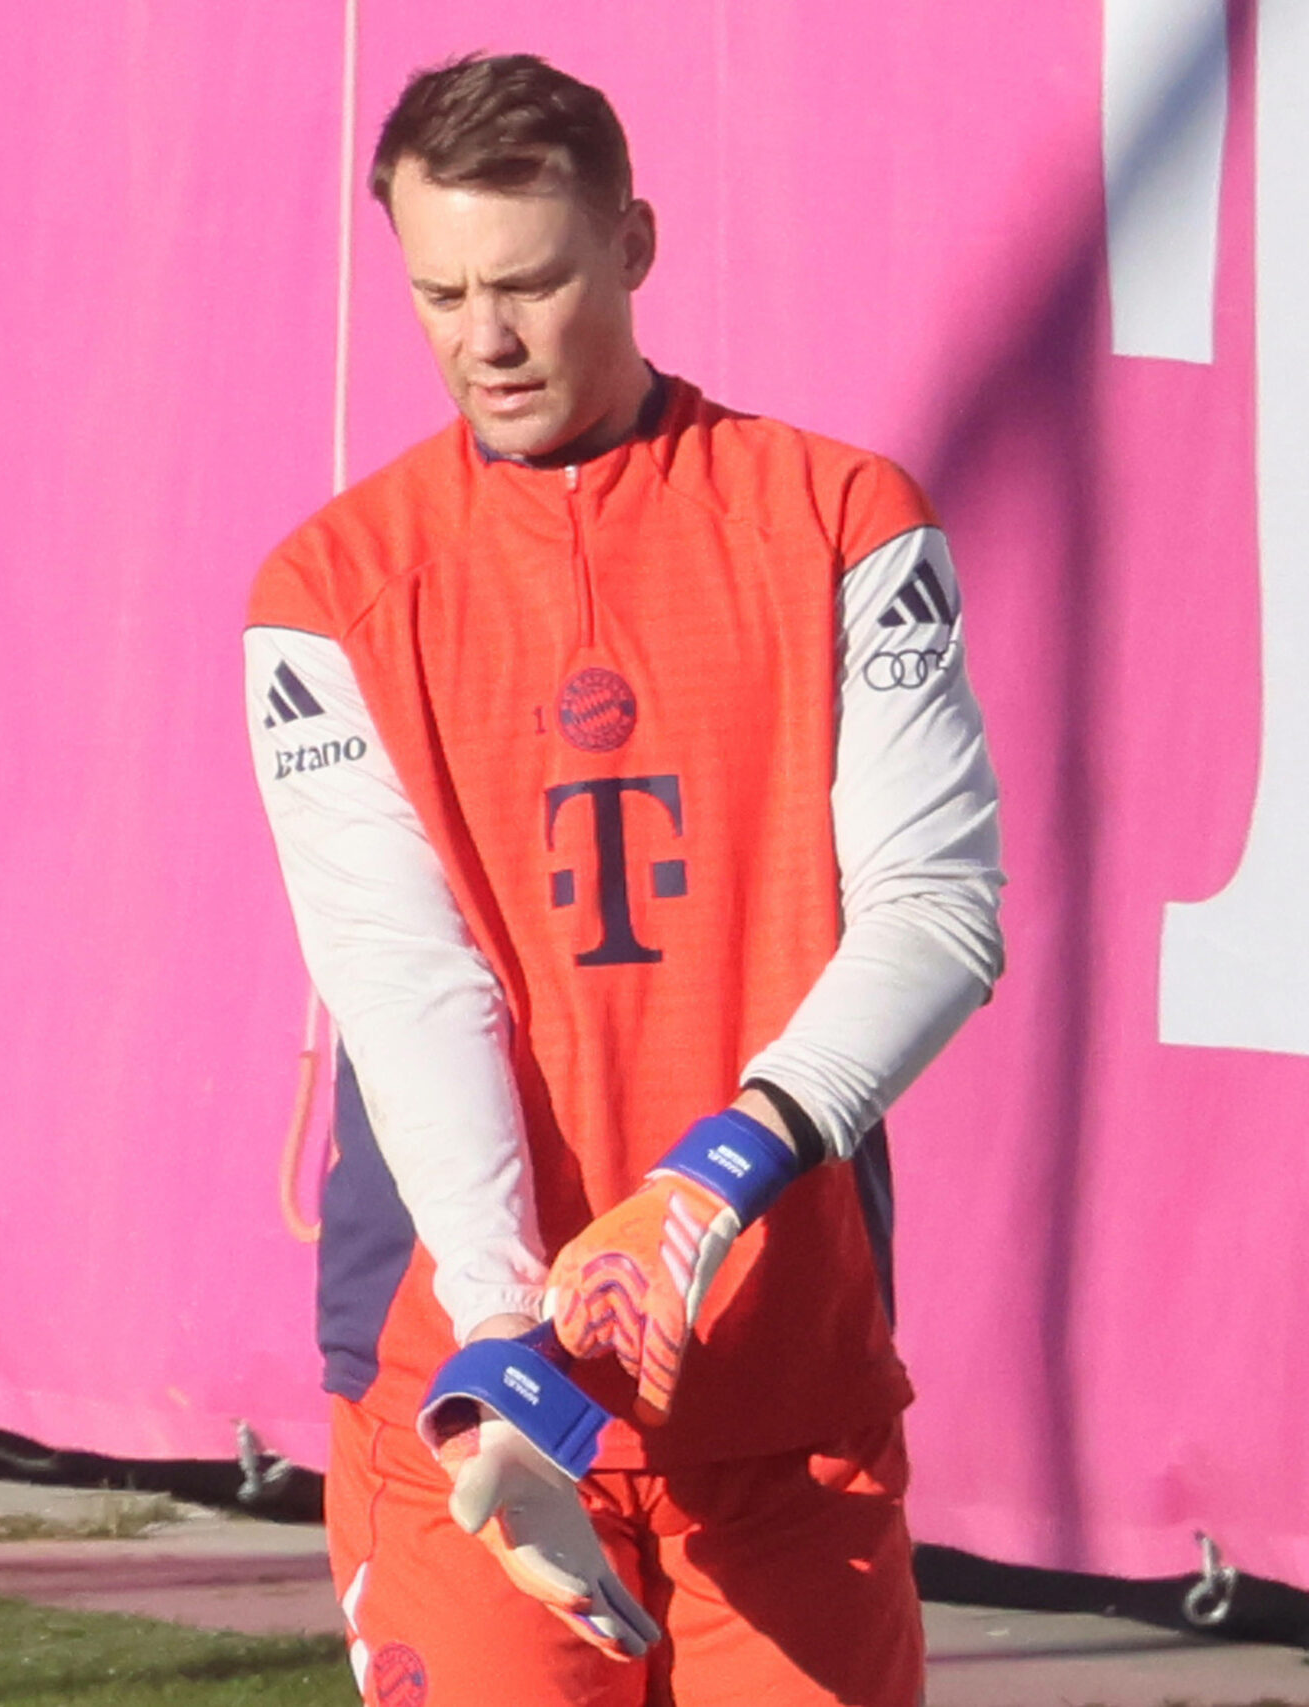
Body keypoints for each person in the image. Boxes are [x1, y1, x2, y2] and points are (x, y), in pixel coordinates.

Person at [246, 52, 1002, 1706]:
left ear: (636, 243)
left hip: (780, 1381)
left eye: (530, 281)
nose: (484, 340)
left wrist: (705, 1186)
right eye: (441, 292)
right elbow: (406, 980)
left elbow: (940, 912)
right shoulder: (325, 590)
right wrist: (513, 1344)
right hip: (465, 1371)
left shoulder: (844, 519)